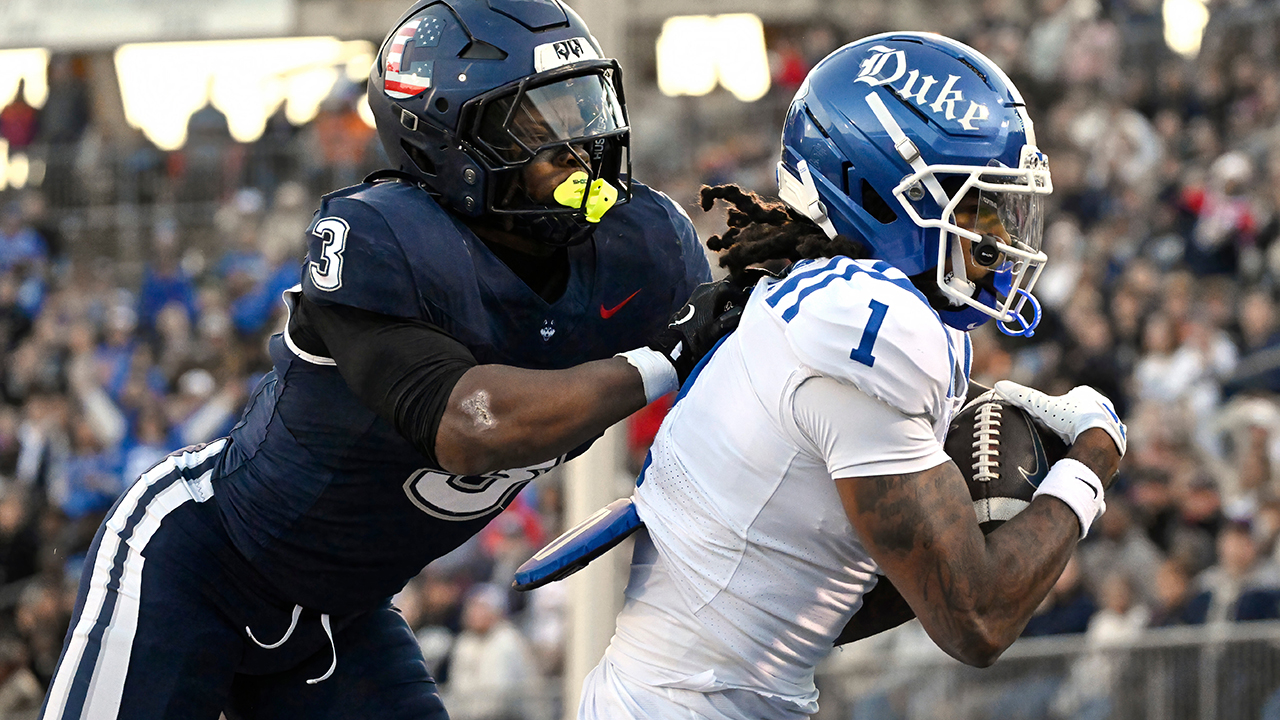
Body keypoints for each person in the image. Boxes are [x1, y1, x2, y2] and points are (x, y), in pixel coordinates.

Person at [38, 1, 733, 718]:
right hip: (197, 566)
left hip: (342, 617)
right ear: (449, 142)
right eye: (540, 120)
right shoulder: (383, 238)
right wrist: (661, 359)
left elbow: (745, 393)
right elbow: (474, 424)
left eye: (583, 104)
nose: (577, 144)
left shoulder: (640, 246)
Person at [572, 33, 1127, 720]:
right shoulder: (871, 325)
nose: (1001, 241)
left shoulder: (858, 308)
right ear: (881, 193)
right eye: (980, 209)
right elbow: (976, 622)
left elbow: (820, 595)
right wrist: (1090, 465)